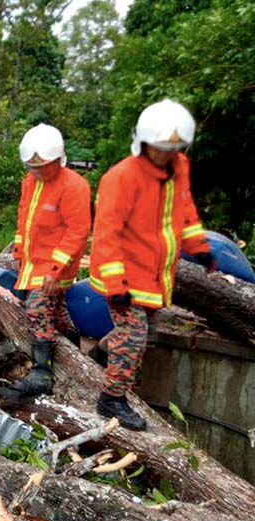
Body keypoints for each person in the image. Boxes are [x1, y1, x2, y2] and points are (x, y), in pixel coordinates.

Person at [89, 99, 215, 430]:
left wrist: (198, 246)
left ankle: (104, 353)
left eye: (171, 149)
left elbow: (184, 211)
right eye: (159, 148)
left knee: (142, 334)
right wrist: (116, 286)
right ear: (143, 143)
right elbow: (106, 235)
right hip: (123, 274)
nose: (165, 155)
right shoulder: (121, 178)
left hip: (156, 276)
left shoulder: (179, 167)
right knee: (134, 336)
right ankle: (111, 400)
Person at [10, 124, 91, 395]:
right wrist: (19, 252)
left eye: (41, 167)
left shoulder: (74, 186)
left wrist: (56, 270)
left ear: (58, 160)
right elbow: (24, 222)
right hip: (33, 264)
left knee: (38, 307)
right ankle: (80, 349)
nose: (37, 172)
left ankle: (42, 372)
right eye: (32, 167)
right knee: (54, 313)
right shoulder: (29, 183)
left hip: (57, 265)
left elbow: (77, 232)